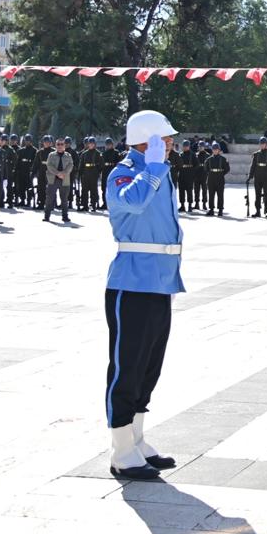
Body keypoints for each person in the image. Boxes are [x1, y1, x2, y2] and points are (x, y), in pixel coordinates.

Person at [103, 109, 185, 482]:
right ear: (145, 141)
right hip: (132, 283)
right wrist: (150, 169)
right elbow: (132, 202)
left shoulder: (159, 171)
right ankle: (121, 450)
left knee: (150, 366)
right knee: (127, 367)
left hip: (159, 282)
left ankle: (136, 439)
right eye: (164, 139)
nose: (170, 144)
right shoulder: (124, 172)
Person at [44, 137, 74, 222]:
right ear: (55, 145)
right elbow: (49, 165)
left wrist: (63, 173)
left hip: (64, 180)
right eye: (58, 144)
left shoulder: (68, 155)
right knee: (49, 199)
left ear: (64, 145)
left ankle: (65, 217)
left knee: (64, 200)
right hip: (53, 180)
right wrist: (58, 173)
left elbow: (70, 165)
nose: (60, 146)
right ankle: (47, 216)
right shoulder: (51, 155)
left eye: (62, 144)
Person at [250, 137, 267, 216]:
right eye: (261, 144)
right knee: (257, 194)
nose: (262, 145)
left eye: (263, 144)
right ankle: (258, 211)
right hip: (258, 176)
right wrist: (250, 176)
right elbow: (253, 166)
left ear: (266, 144)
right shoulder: (256, 154)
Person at [77, 137, 105, 213]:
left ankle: (93, 205)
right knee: (84, 190)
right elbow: (81, 165)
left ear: (95, 144)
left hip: (93, 173)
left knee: (93, 190)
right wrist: (80, 174)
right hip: (85, 173)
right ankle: (85, 205)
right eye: (90, 143)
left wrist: (97, 172)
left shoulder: (98, 153)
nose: (91, 145)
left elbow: (101, 165)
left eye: (92, 143)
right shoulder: (84, 153)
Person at [204, 142, 230, 215]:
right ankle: (211, 209)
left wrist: (221, 174)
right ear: (212, 150)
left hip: (220, 178)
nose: (215, 150)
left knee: (220, 194)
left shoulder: (223, 159)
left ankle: (220, 210)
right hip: (211, 178)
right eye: (214, 149)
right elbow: (206, 169)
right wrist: (211, 173)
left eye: (216, 149)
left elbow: (227, 169)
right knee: (211, 194)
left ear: (219, 150)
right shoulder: (208, 159)